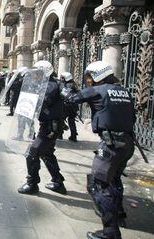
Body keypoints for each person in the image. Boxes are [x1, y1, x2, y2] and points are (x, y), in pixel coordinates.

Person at [64, 61, 135, 239]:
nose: (89, 81)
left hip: (110, 147)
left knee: (98, 184)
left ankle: (110, 233)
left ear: (97, 76)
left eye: (90, 77)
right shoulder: (124, 91)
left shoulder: (98, 90)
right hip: (127, 145)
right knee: (114, 179)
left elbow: (71, 98)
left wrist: (63, 87)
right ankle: (118, 214)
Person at [18, 60, 66, 195]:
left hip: (50, 127)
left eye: (38, 73)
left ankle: (32, 183)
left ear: (45, 72)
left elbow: (42, 101)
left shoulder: (50, 85)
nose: (35, 76)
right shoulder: (47, 84)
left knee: (32, 153)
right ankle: (58, 182)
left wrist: (30, 103)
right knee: (47, 153)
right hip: (50, 126)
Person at [59, 72, 79, 142]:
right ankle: (73, 135)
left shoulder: (67, 85)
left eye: (62, 78)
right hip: (73, 105)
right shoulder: (73, 84)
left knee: (61, 119)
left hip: (66, 105)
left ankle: (60, 134)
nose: (61, 79)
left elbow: (65, 95)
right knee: (71, 120)